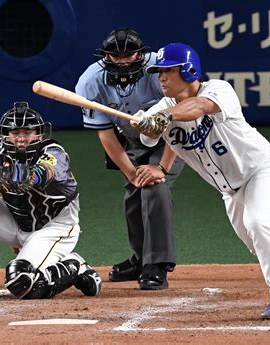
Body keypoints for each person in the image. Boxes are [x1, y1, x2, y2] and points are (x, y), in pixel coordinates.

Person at [131, 43, 270, 318]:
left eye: (168, 70)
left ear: (188, 70)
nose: (161, 77)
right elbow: (153, 138)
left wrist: (163, 117)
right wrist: (148, 129)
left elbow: (198, 107)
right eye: (158, 71)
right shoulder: (162, 109)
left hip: (262, 170)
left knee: (259, 224)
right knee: (256, 240)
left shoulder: (219, 90)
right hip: (230, 190)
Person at [0, 101, 102, 299]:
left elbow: (46, 171)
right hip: (17, 220)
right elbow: (2, 186)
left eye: (27, 132)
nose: (20, 139)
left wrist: (30, 177)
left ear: (39, 134)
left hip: (54, 227)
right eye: (15, 132)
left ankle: (75, 265)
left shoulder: (54, 152)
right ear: (4, 134)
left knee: (22, 282)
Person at [75, 28, 184, 290]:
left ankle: (156, 265)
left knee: (155, 187)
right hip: (130, 140)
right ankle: (140, 259)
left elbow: (181, 118)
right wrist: (131, 172)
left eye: (129, 54)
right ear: (106, 56)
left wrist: (161, 166)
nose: (122, 60)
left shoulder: (160, 71)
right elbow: (107, 136)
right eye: (115, 55)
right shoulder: (90, 82)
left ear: (140, 53)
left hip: (171, 137)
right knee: (134, 194)